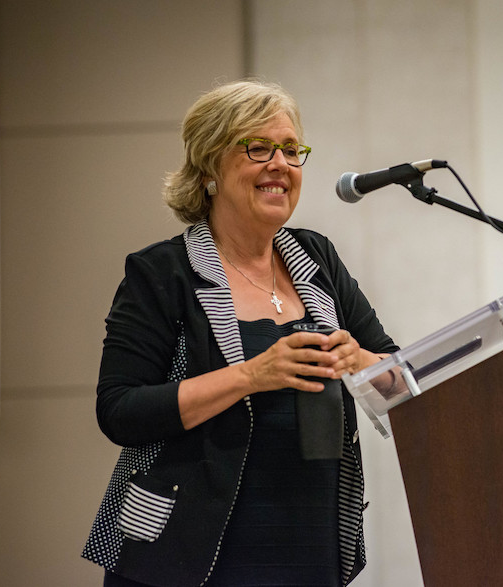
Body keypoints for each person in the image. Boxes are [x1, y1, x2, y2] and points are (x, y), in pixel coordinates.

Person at [82, 79, 397, 587]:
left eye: (292, 151)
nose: (280, 164)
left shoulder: (318, 261)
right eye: (258, 148)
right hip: (182, 556)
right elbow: (119, 410)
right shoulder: (163, 273)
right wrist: (252, 375)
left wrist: (359, 359)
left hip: (312, 547)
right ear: (210, 167)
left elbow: (399, 378)